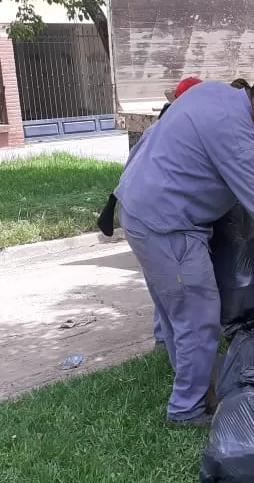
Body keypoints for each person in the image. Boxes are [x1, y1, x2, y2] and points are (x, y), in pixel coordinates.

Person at [113, 72, 254, 428]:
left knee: (176, 313)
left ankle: (191, 381)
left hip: (139, 208)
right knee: (199, 319)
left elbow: (153, 136)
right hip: (168, 225)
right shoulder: (238, 137)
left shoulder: (213, 93)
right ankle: (185, 410)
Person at [98, 76, 205, 349]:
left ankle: (162, 336)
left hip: (135, 212)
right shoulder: (180, 131)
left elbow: (133, 167)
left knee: (159, 279)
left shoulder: (160, 127)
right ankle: (166, 339)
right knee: (171, 283)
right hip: (153, 218)